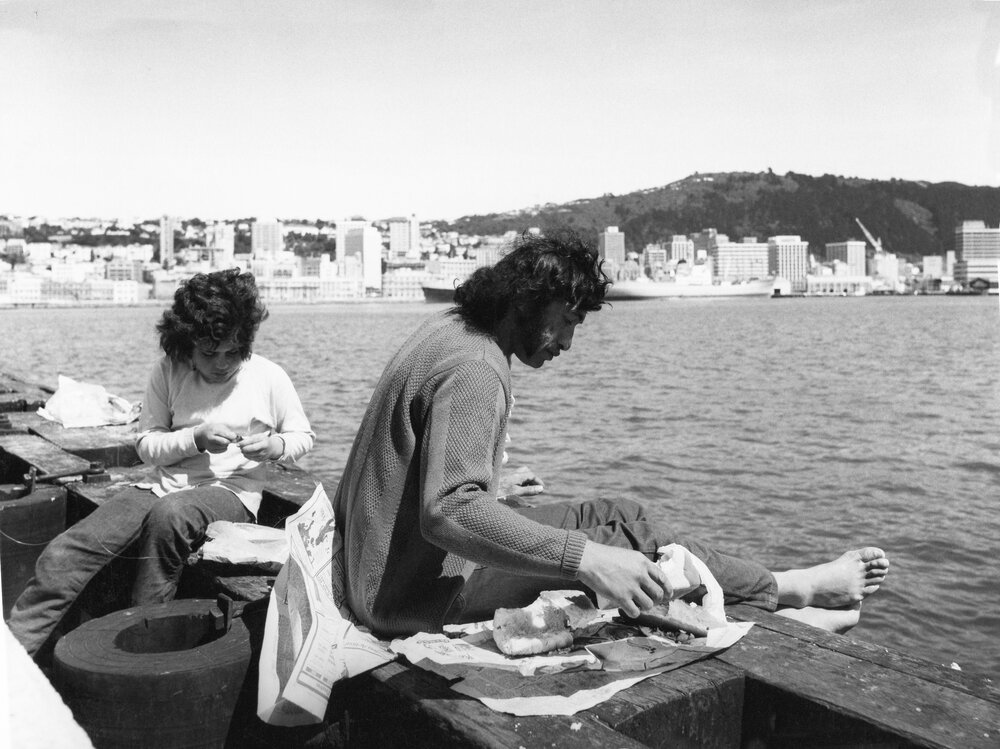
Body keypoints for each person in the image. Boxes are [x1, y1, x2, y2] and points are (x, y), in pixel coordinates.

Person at [332, 230, 889, 639]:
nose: (567, 343)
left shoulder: (453, 330)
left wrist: (494, 488)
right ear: (526, 300)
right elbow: (448, 511)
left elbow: (419, 481)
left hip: (387, 572)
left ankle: (766, 598)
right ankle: (789, 593)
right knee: (632, 545)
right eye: (566, 321)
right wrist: (588, 561)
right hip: (417, 596)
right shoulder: (478, 368)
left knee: (621, 513)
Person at [8, 269, 315, 658]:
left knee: (169, 517)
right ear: (186, 345)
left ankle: (141, 652)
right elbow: (147, 445)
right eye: (209, 353)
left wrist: (274, 446)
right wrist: (195, 438)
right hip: (159, 487)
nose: (222, 363)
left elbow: (303, 437)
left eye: (234, 351)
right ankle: (11, 663)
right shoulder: (168, 371)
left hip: (230, 491)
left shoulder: (268, 376)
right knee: (64, 553)